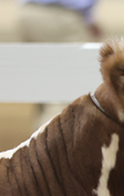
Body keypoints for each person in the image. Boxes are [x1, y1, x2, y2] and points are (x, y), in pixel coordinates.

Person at [16, 0, 102, 128]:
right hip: (60, 15)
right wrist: (87, 19)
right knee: (66, 89)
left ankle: (40, 139)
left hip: (27, 13)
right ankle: (49, 142)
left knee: (44, 88)